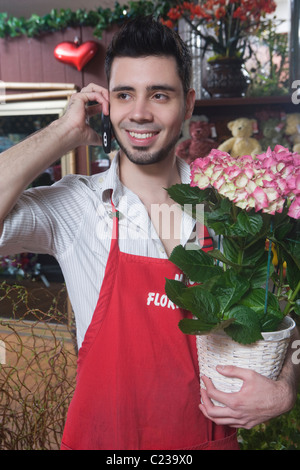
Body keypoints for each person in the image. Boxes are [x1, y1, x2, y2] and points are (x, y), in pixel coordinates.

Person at [0, 16, 299, 451]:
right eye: (124, 94)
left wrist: (287, 385)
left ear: (189, 103)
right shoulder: (79, 206)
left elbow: (287, 318)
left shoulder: (226, 202)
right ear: (108, 104)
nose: (140, 112)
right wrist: (63, 133)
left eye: (159, 94)